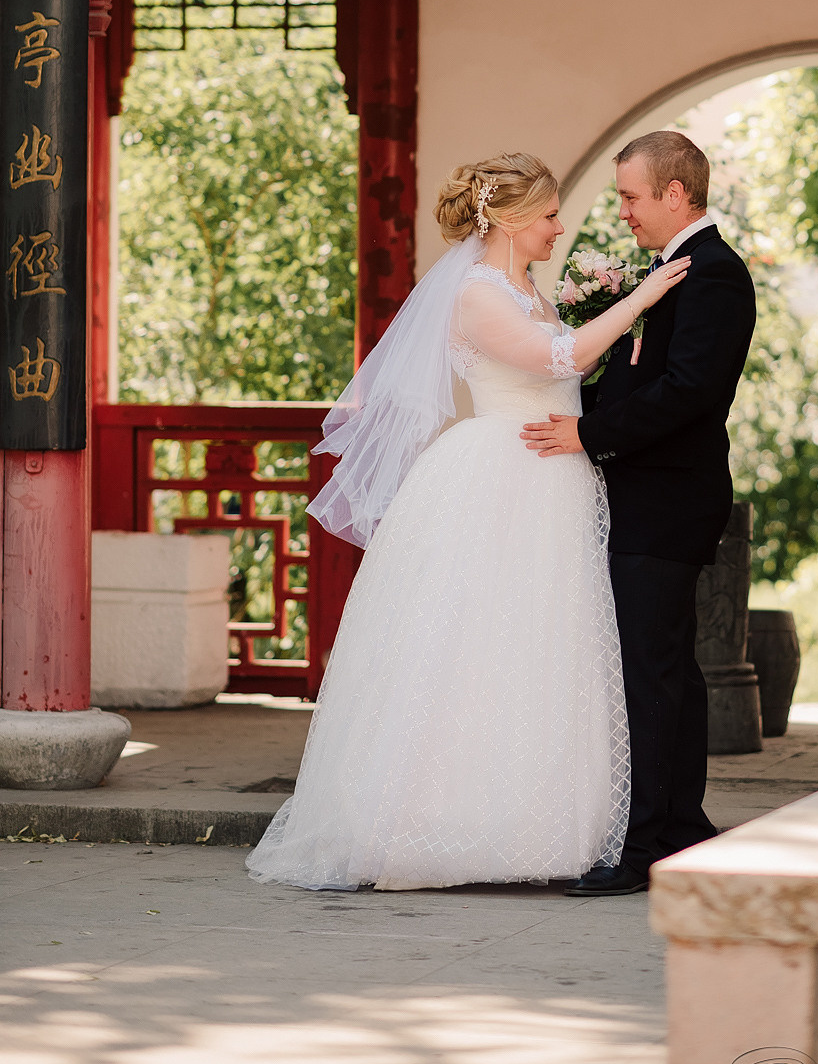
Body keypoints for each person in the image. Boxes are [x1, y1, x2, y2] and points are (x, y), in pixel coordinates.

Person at [246, 152, 688, 892]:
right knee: (477, 646)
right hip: (501, 474)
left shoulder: (527, 288)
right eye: (549, 214)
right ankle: (445, 829)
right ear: (511, 221)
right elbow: (560, 355)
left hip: (555, 478)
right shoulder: (479, 296)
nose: (560, 226)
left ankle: (548, 830)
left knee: (548, 648)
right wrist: (637, 300)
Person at [523, 131, 757, 897]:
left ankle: (649, 846)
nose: (622, 211)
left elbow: (688, 390)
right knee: (667, 672)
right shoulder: (669, 271)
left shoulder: (715, 276)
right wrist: (566, 407)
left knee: (652, 674)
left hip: (668, 500)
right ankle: (681, 830)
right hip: (647, 494)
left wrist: (587, 434)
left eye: (630, 196)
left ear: (676, 195)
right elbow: (637, 380)